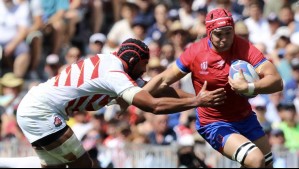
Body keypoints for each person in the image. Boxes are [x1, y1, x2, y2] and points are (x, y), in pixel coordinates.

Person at [16, 38, 226, 168]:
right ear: (134, 62)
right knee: (84, 165)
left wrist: (199, 96)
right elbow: (153, 105)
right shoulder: (114, 73)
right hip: (41, 111)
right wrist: (197, 101)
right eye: (143, 65)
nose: (145, 71)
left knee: (58, 167)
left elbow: (161, 88)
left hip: (35, 107)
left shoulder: (113, 64)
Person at [143, 9, 283, 168]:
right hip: (214, 122)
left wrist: (250, 86)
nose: (224, 39)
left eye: (228, 33)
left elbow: (277, 81)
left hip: (245, 118)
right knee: (256, 160)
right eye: (219, 34)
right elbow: (163, 79)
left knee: (267, 164)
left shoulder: (244, 48)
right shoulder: (196, 52)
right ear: (209, 33)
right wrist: (133, 96)